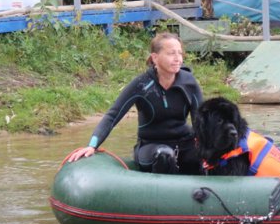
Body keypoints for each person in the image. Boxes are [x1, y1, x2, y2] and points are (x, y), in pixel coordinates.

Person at [67, 32, 203, 174]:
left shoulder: (189, 82)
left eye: (180, 53)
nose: (177, 59)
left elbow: (200, 121)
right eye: (171, 54)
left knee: (207, 155)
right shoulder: (141, 84)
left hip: (184, 144)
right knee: (165, 155)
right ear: (155, 58)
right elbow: (112, 116)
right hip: (151, 147)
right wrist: (92, 146)